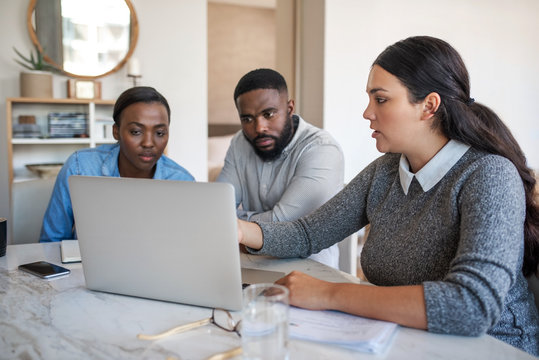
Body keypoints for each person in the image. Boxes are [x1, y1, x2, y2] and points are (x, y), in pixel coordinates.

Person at [238, 36, 539, 355]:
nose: (367, 113)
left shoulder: (488, 174)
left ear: (429, 106)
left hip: (495, 348)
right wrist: (240, 229)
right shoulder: (385, 171)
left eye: (380, 99)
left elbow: (471, 305)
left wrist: (329, 294)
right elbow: (310, 233)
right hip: (407, 342)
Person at [217, 68, 344, 269]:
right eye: (247, 119)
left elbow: (281, 224)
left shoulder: (322, 149)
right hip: (250, 269)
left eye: (269, 114)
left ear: (290, 108)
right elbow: (218, 208)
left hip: (310, 273)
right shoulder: (240, 142)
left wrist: (236, 222)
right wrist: (228, 220)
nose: (259, 128)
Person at [40, 86, 194, 242]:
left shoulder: (183, 182)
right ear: (116, 132)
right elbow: (51, 242)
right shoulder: (80, 167)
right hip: (87, 266)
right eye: (136, 131)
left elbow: (188, 247)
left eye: (159, 133)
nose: (148, 143)